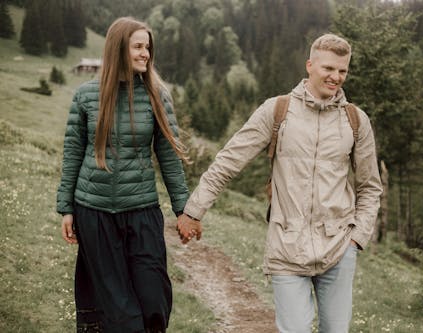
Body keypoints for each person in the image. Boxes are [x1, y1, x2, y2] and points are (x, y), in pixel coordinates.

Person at [177, 33, 383, 332]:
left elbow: (370, 187)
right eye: (329, 68)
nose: (336, 77)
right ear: (310, 65)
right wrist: (194, 211)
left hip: (339, 247)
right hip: (287, 247)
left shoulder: (355, 120)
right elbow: (227, 162)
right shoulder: (277, 111)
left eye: (342, 71)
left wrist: (356, 238)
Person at [57, 17, 189, 333]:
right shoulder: (86, 95)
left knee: (153, 298)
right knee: (118, 308)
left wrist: (184, 209)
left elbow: (169, 157)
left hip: (142, 212)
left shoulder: (158, 95)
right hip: (95, 214)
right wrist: (66, 208)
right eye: (138, 47)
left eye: (148, 47)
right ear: (119, 49)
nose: (146, 54)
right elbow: (73, 152)